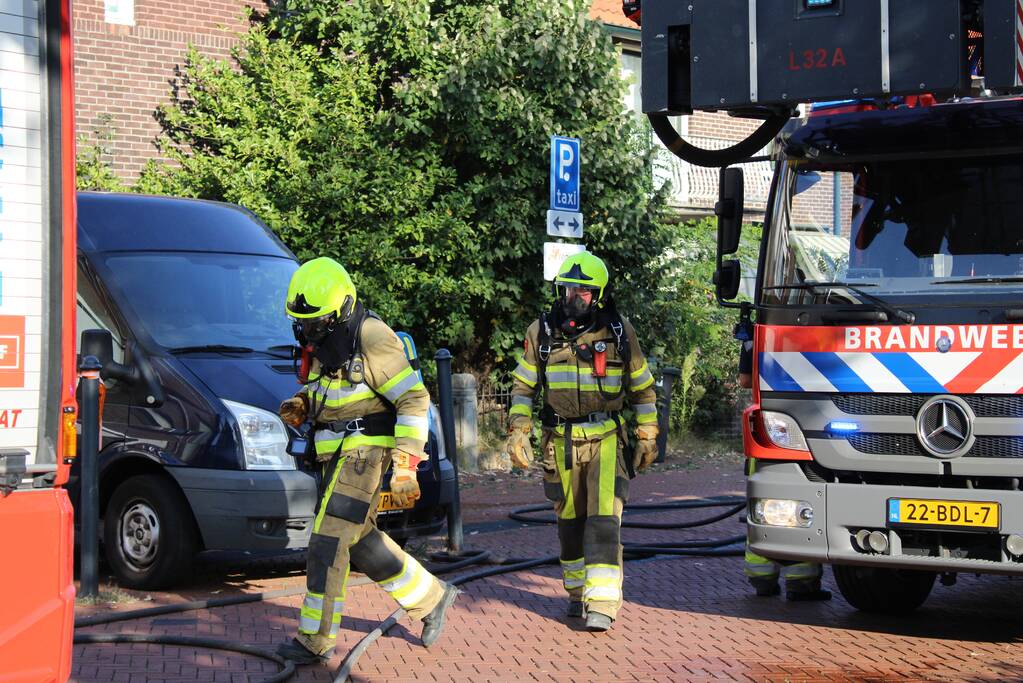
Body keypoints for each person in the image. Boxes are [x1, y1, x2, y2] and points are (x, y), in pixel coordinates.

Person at [274, 257, 459, 665]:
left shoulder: (373, 336)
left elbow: (414, 398)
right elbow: (331, 391)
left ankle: (314, 639)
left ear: (340, 311)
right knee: (360, 540)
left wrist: (407, 465)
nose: (309, 331)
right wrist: (302, 403)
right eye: (303, 323)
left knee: (327, 540)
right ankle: (431, 597)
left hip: (364, 454)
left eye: (316, 323)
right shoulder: (328, 340)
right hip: (334, 456)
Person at [504, 251, 658, 632]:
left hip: (606, 436)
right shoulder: (541, 332)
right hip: (561, 440)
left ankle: (603, 601)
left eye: (583, 291)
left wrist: (647, 435)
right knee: (569, 523)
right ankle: (577, 593)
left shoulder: (618, 332)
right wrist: (518, 429)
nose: (573, 296)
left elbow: (642, 389)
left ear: (599, 295)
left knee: (604, 520)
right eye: (569, 287)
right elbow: (523, 386)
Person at [737, 336, 830, 601]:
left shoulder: (754, 337)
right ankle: (801, 580)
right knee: (801, 496)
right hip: (801, 422)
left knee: (763, 503)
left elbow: (745, 380)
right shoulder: (813, 334)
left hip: (767, 425)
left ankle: (761, 577)